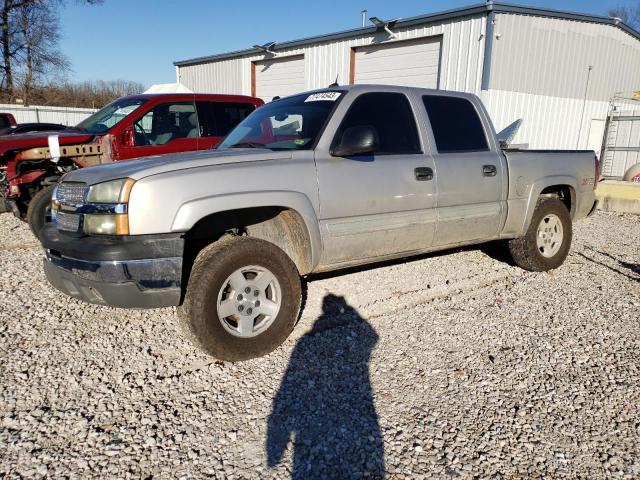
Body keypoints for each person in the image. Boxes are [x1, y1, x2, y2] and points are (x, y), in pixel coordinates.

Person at [267, 294, 384, 478]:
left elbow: (372, 337)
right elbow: (372, 337)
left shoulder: (305, 342)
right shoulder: (308, 342)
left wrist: (275, 451)